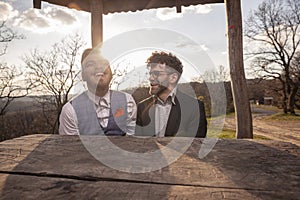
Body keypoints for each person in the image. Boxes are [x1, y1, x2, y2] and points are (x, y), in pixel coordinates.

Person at [59, 48, 136, 136]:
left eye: (104, 63)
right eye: (90, 64)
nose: (99, 67)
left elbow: (132, 141)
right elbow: (71, 147)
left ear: (111, 73)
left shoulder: (128, 101)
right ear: (83, 75)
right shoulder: (70, 110)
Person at [135, 51, 207, 137]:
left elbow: (195, 146)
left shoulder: (195, 108)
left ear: (173, 78)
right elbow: (138, 144)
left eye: (156, 74)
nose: (150, 78)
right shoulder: (141, 107)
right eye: (150, 74)